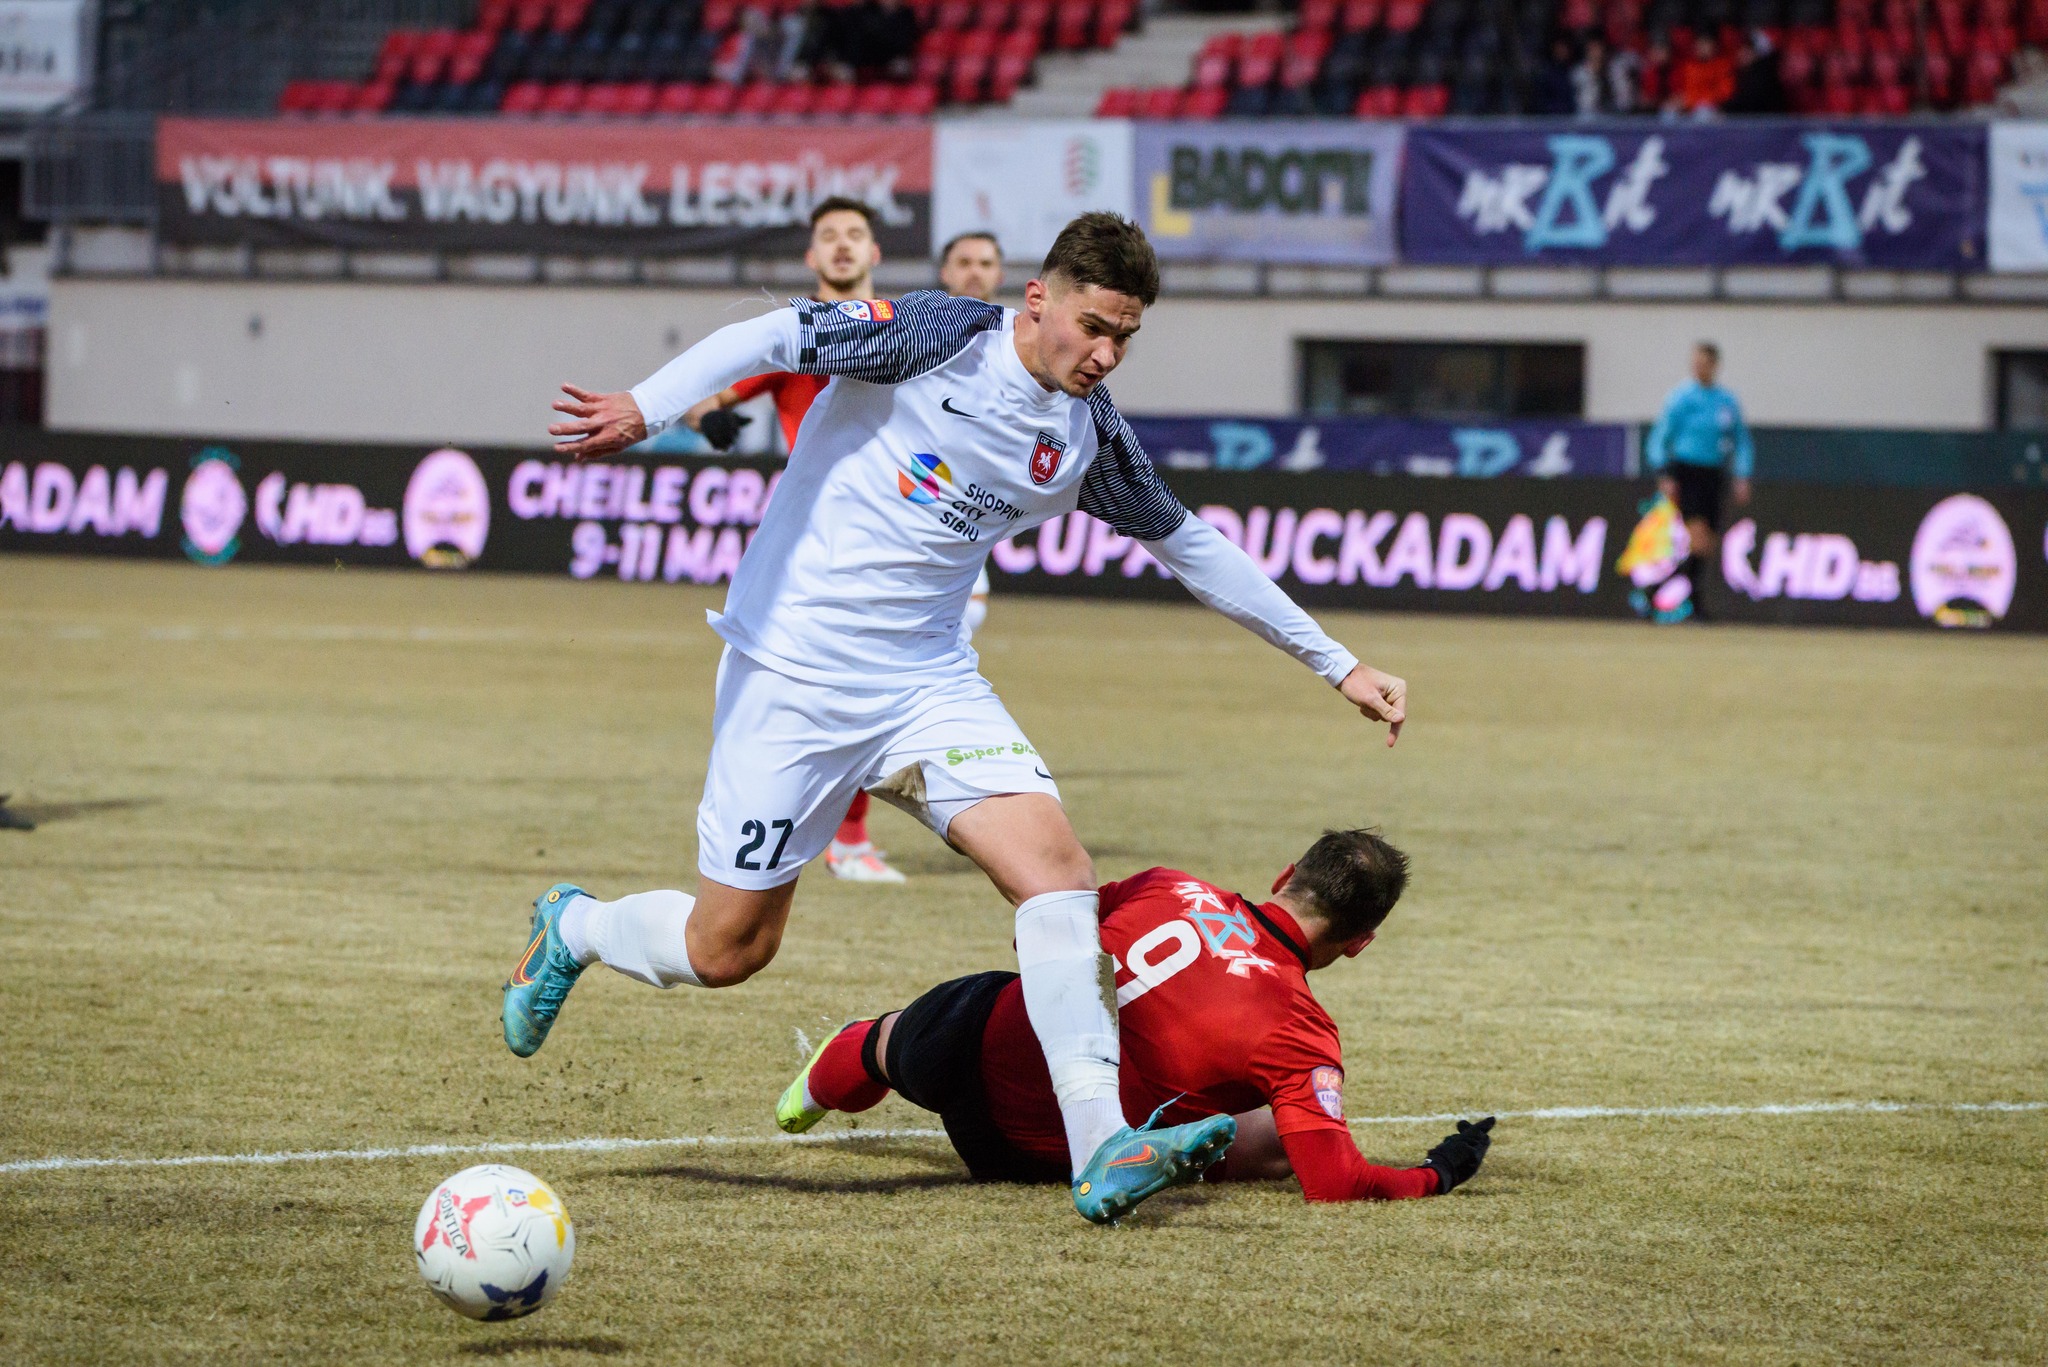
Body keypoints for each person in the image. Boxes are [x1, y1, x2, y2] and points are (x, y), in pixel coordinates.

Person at [514, 211, 1410, 1225]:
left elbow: (1189, 544)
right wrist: (648, 406)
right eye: (1091, 326)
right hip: (794, 673)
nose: (1105, 354)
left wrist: (1336, 662)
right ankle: (575, 925)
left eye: (1125, 336)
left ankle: (1101, 1143)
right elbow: (773, 335)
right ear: (1038, 299)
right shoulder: (938, 334)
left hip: (926, 685)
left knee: (1058, 874)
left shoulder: (1086, 433)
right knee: (727, 950)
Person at [776, 828, 1498, 1206]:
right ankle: (1151, 1148)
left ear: (1285, 876)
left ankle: (821, 1084)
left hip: (962, 1033)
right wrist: (1435, 1174)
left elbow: (1045, 937)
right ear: (1361, 941)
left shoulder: (1169, 884)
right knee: (1283, 1131)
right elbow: (1334, 1184)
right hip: (1028, 1151)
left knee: (879, 1045)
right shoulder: (1301, 1029)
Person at [684, 198, 906, 883]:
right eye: (828, 236)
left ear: (874, 253)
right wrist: (708, 421)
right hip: (816, 542)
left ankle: (839, 834)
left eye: (855, 234)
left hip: (901, 534)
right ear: (811, 257)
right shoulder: (795, 336)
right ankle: (826, 836)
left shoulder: (910, 330)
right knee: (817, 685)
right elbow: (701, 397)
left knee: (880, 682)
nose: (842, 245)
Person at [936, 230, 1008, 644]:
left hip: (973, 501)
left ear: (1000, 274)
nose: (975, 272)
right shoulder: (916, 333)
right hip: (915, 482)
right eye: (964, 263)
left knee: (970, 609)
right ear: (945, 273)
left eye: (985, 263)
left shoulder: (1018, 345)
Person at [1646, 341, 1754, 618]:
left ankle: (1655, 589)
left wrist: (1742, 474)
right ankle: (1695, 603)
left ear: (1714, 365)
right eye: (1696, 363)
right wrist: (1664, 472)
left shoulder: (1726, 401)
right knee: (1698, 539)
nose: (1699, 368)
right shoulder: (1681, 398)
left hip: (1713, 474)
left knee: (1706, 545)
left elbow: (1741, 441)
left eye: (1705, 363)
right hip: (1687, 473)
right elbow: (1659, 438)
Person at [1668, 30, 1735, 114]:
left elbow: (1725, 92)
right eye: (1699, 44)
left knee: (1703, 111)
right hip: (1688, 105)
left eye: (1705, 44)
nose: (1702, 47)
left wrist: (1692, 99)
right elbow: (1681, 89)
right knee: (1669, 111)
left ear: (1714, 46)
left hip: (1713, 107)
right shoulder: (1688, 64)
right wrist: (1677, 99)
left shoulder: (1723, 65)